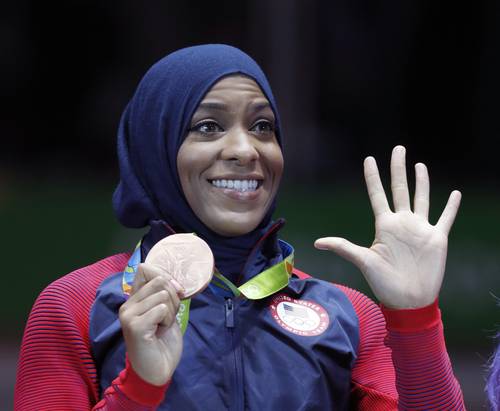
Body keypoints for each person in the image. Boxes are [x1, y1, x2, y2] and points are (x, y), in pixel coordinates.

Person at [14, 44, 465, 410]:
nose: (245, 149)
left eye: (263, 126)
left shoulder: (350, 316)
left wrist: (415, 318)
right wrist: (140, 387)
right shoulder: (76, 307)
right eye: (208, 126)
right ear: (156, 145)